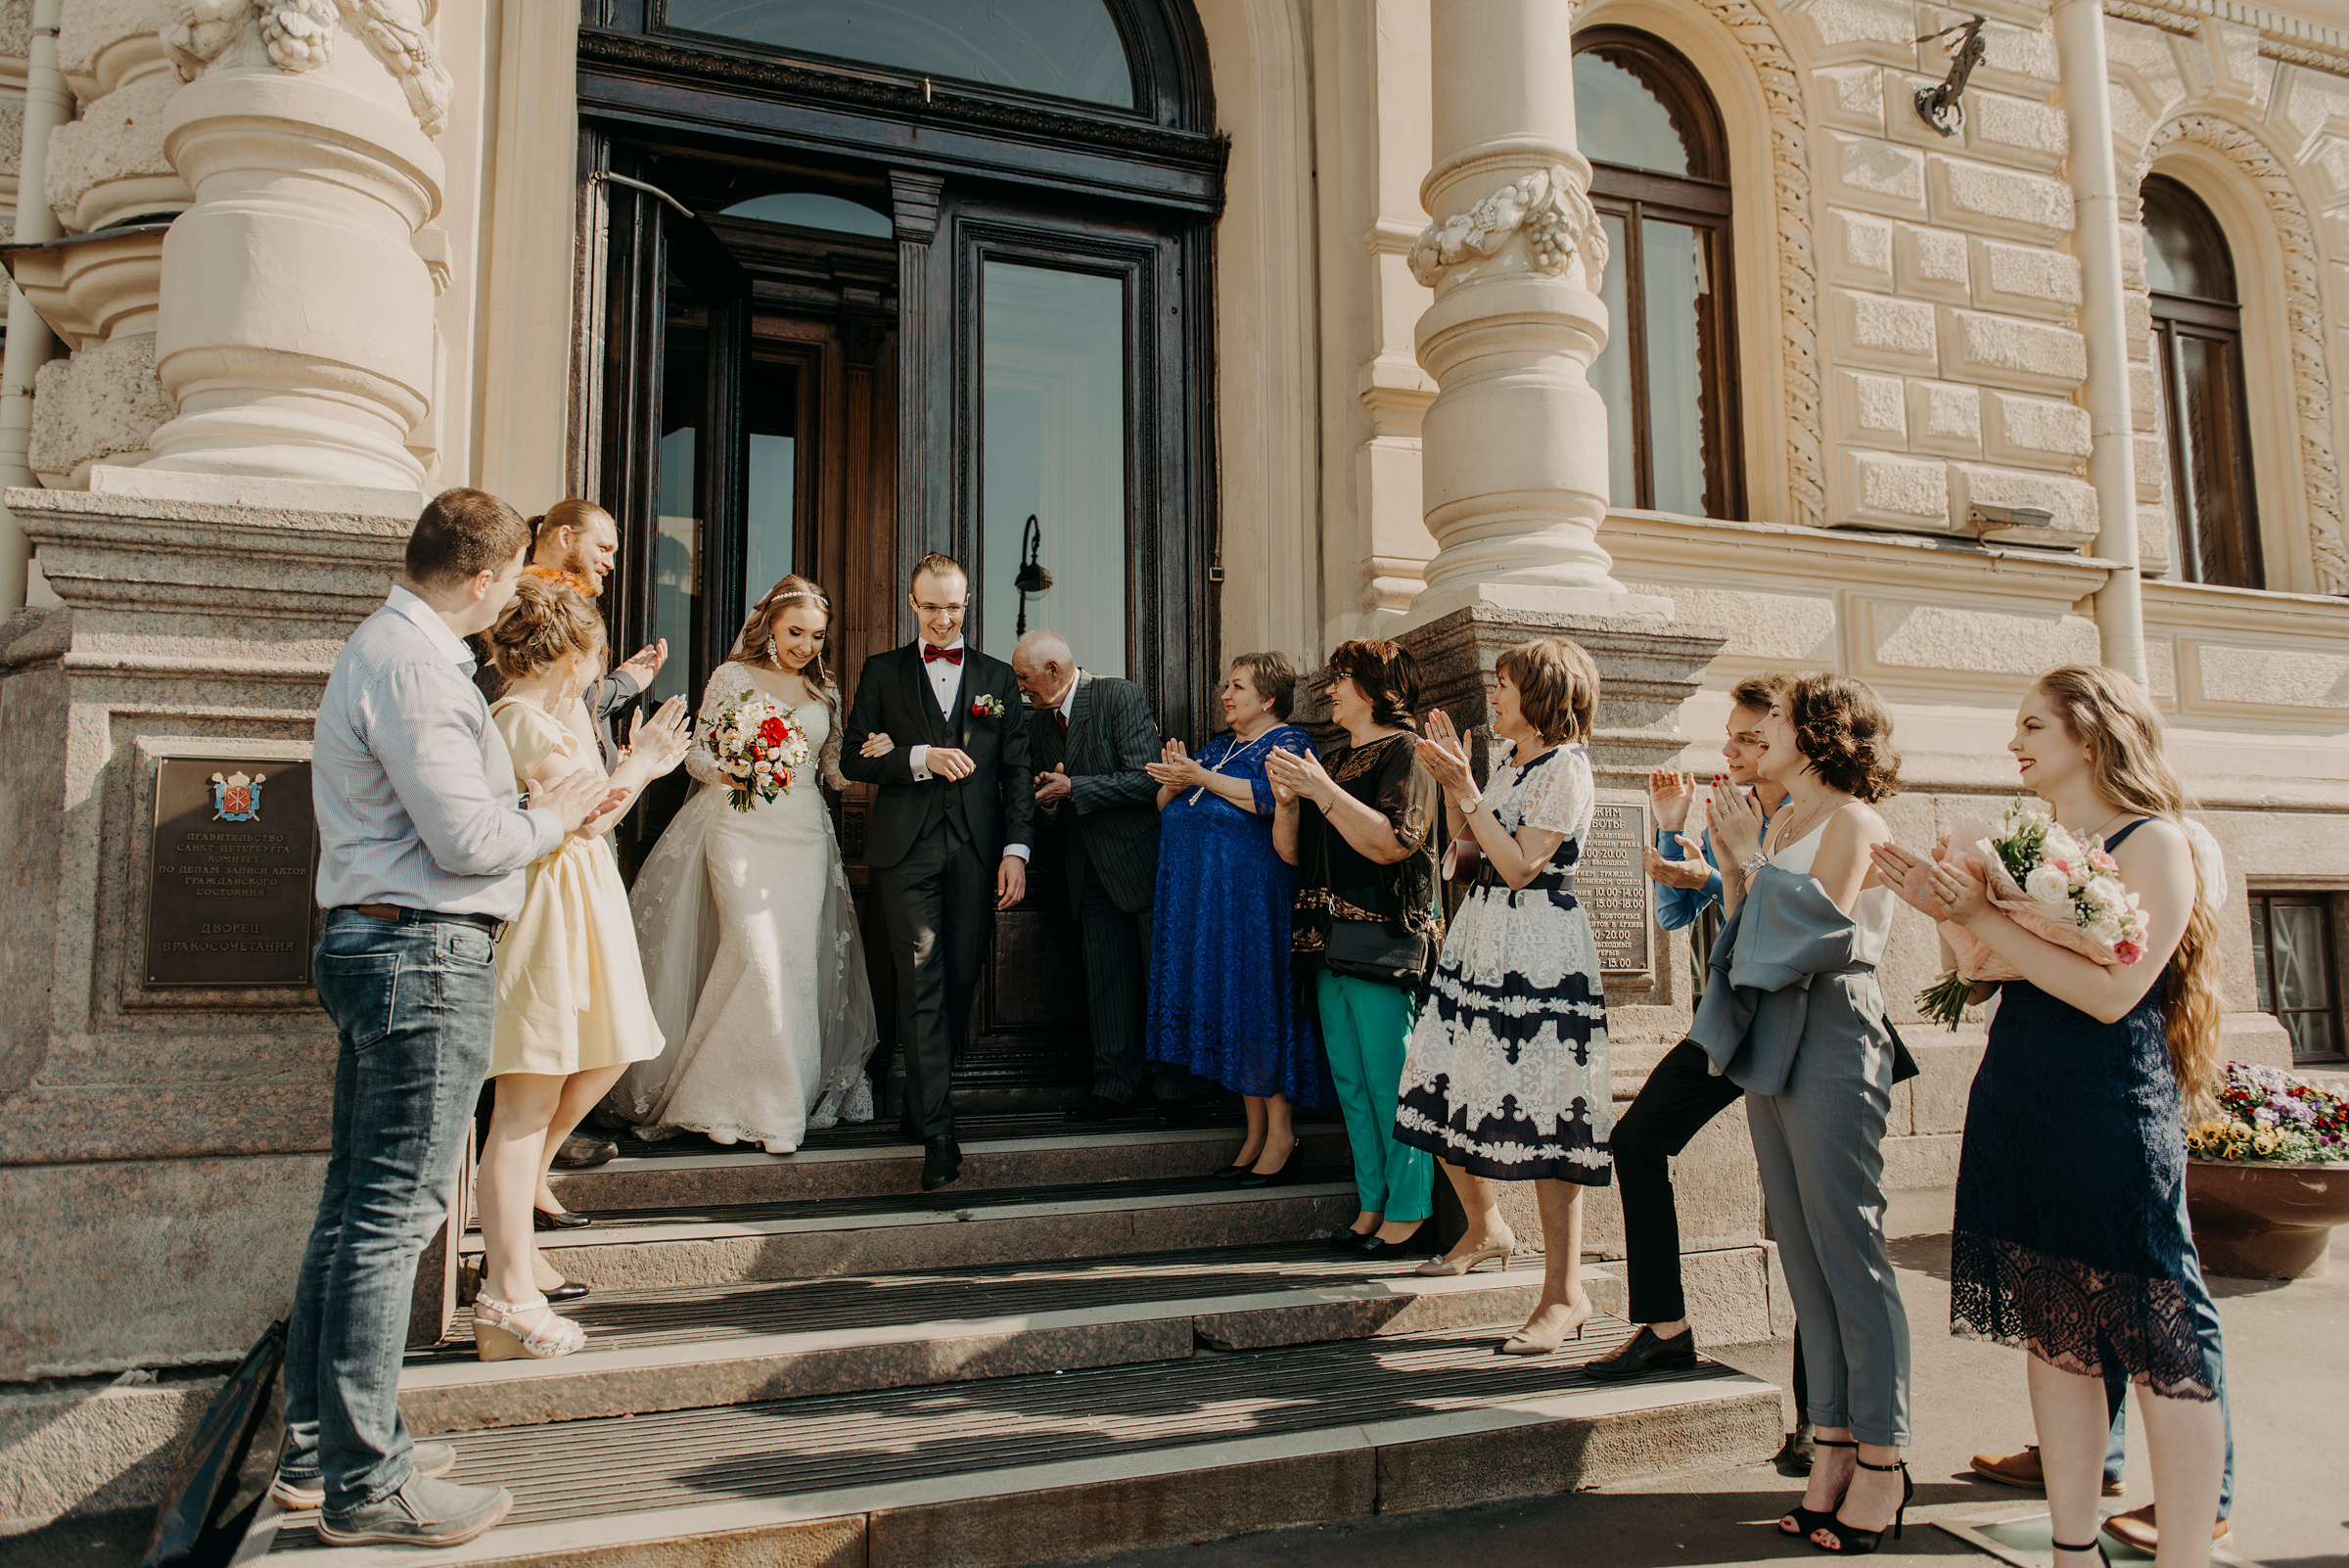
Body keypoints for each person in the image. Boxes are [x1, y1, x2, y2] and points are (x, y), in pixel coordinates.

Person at [280, 488, 611, 1548]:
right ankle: (368, 1482)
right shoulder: (419, 665)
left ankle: (316, 1446)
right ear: (481, 578)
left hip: (386, 941)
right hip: (420, 950)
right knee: (393, 1219)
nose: (516, 594)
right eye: (511, 577)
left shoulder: (389, 648)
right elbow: (469, 838)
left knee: (351, 1210)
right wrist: (548, 814)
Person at [1873, 664, 2230, 1568]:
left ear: (2092, 732)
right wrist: (1948, 913)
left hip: (2109, 1101)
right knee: (2056, 1326)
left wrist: (1989, 923)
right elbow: (1995, 974)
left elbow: (2113, 997)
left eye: (2034, 726)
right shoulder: (2044, 839)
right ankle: (2074, 1551)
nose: (2014, 744)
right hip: (2023, 1089)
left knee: (2157, 1330)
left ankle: (2185, 1554)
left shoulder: (2157, 842)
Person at [1690, 672, 1911, 1554]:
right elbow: (1743, 935)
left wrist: (1743, 860)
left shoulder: (1852, 819)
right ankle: (1830, 1445)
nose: (1756, 733)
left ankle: (1886, 1461)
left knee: (1849, 1249)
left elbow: (1816, 933)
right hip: (1769, 1030)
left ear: (1817, 731)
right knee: (1801, 1255)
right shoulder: (1779, 821)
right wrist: (1738, 863)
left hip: (1832, 1027)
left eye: (1774, 719)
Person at [1587, 675, 1815, 1478]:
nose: (1731, 752)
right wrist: (1678, 840)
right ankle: (1666, 1328)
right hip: (1728, 1017)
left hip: (1797, 1023)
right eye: (1731, 738)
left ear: (1792, 738)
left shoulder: (1809, 816)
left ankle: (1820, 1418)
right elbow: (1682, 922)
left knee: (1807, 1217)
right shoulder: (1739, 805)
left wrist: (1718, 870)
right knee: (1638, 1140)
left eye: (1748, 739)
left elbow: (1802, 918)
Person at [473, 576, 693, 1359]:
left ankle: (519, 1220)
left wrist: (636, 766)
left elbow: (597, 808)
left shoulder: (546, 716)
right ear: (571, 657)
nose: (597, 672)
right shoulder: (520, 720)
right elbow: (593, 810)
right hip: (548, 909)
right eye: (594, 657)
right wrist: (650, 762)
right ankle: (508, 1286)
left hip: (580, 894)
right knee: (525, 1101)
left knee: (615, 1045)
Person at [615, 576, 884, 1154]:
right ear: (769, 627)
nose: (807, 646)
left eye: (816, 637)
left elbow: (832, 772)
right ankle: (724, 1099)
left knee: (790, 963)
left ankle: (774, 1108)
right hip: (739, 828)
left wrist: (875, 757)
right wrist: (738, 771)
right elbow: (698, 756)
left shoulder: (826, 692)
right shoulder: (732, 678)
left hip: (802, 836)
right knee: (754, 954)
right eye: (796, 633)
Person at [1400, 638, 1611, 1353]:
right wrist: (1447, 789)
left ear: (1543, 695)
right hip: (1481, 938)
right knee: (1439, 1085)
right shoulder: (1511, 762)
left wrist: (1464, 788)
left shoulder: (1567, 770)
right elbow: (1471, 855)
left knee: (1550, 1116)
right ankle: (1485, 1226)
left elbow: (1521, 866)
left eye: (1505, 684)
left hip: (1538, 950)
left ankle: (1563, 1294)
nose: (1494, 695)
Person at [471, 498, 666, 1174]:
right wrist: (638, 751)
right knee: (543, 1052)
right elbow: (547, 744)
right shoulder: (513, 634)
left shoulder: (557, 695)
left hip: (583, 862)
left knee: (604, 1038)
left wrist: (623, 749)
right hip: (546, 869)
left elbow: (580, 752)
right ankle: (516, 1183)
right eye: (605, 544)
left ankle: (532, 1168)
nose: (613, 559)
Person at [839, 554, 1033, 1192]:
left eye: (953, 606)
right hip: (906, 854)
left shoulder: (997, 680)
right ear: (912, 604)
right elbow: (854, 759)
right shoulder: (882, 671)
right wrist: (918, 756)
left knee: (959, 977)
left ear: (968, 600)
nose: (943, 619)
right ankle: (940, 1137)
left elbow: (1015, 775)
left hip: (977, 852)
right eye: (931, 607)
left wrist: (1015, 851)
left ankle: (921, 1105)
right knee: (922, 978)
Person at [1270, 639, 1441, 1256]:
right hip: (1325, 939)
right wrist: (1289, 802)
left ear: (1373, 686)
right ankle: (1371, 1200)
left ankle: (1410, 1206)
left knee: (1390, 1077)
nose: (1329, 691)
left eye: (1341, 678)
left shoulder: (1407, 751)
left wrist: (1321, 791)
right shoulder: (1335, 760)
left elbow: (1394, 842)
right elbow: (1292, 852)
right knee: (1350, 1079)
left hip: (1382, 937)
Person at [1144, 653, 1323, 1178]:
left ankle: (1282, 1134)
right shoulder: (1221, 747)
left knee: (1259, 1008)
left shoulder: (1288, 743)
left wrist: (1199, 775)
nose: (1226, 694)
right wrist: (1177, 783)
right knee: (1236, 1012)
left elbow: (1268, 798)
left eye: (1238, 686)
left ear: (1268, 699)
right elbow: (1166, 807)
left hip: (1254, 904)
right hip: (1209, 909)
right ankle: (1254, 1133)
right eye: (1226, 684)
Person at [1009, 629, 1171, 1122]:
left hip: (1139, 865)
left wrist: (1074, 786)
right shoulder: (1036, 723)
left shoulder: (1117, 695)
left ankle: (1175, 1092)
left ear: (1054, 671)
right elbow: (1051, 800)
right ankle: (1113, 1090)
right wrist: (1051, 801)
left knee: (1156, 978)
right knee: (1107, 985)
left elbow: (1148, 777)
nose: (1021, 689)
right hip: (1086, 872)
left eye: (1024, 679)